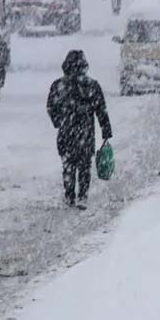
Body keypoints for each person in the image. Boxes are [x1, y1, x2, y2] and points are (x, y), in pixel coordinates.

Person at [47, 50, 113, 206]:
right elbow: (101, 110)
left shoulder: (59, 85)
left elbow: (50, 107)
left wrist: (58, 121)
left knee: (68, 164)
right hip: (85, 132)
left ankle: (69, 195)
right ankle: (82, 195)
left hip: (66, 132)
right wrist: (106, 130)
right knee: (84, 165)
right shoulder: (92, 85)